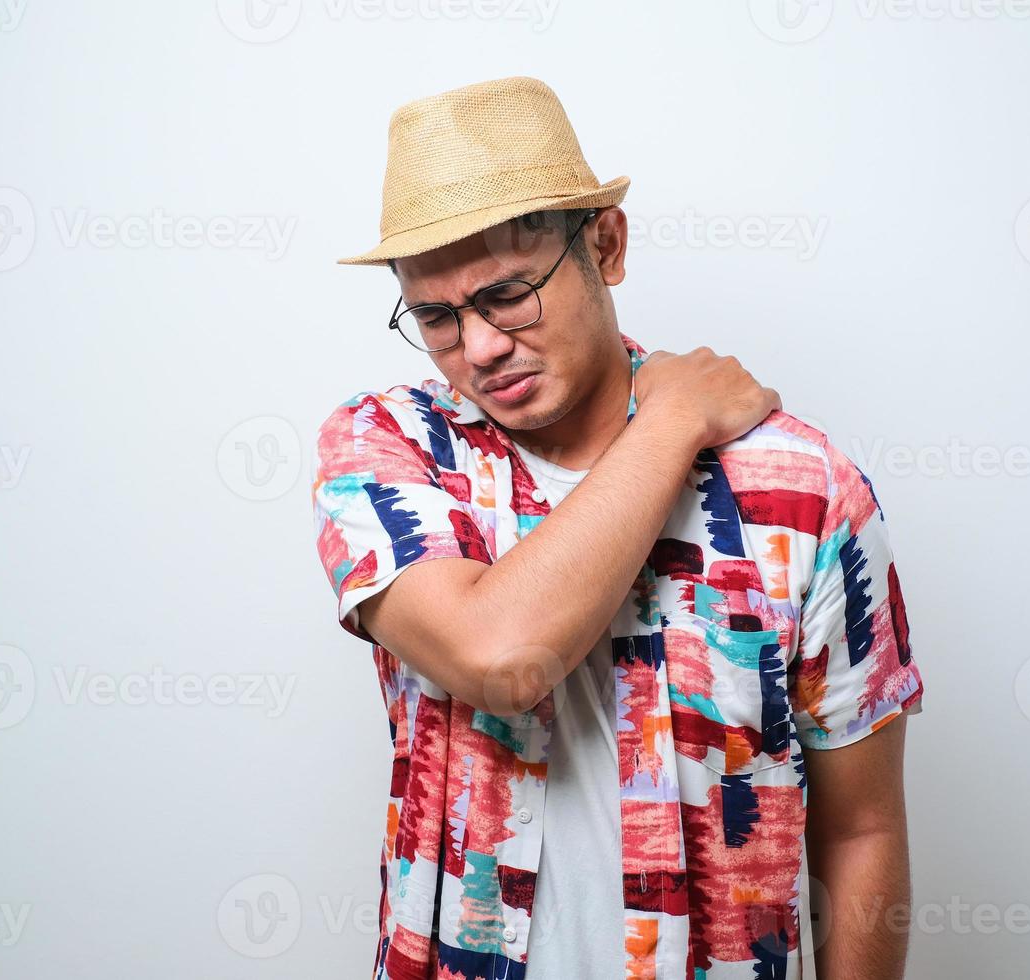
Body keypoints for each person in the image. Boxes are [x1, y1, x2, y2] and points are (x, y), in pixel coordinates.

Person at [312, 74, 924, 980]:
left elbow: (862, 827)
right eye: (437, 317)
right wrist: (673, 422)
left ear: (605, 245)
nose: (480, 347)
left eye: (509, 294)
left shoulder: (800, 486)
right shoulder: (389, 450)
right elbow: (497, 658)